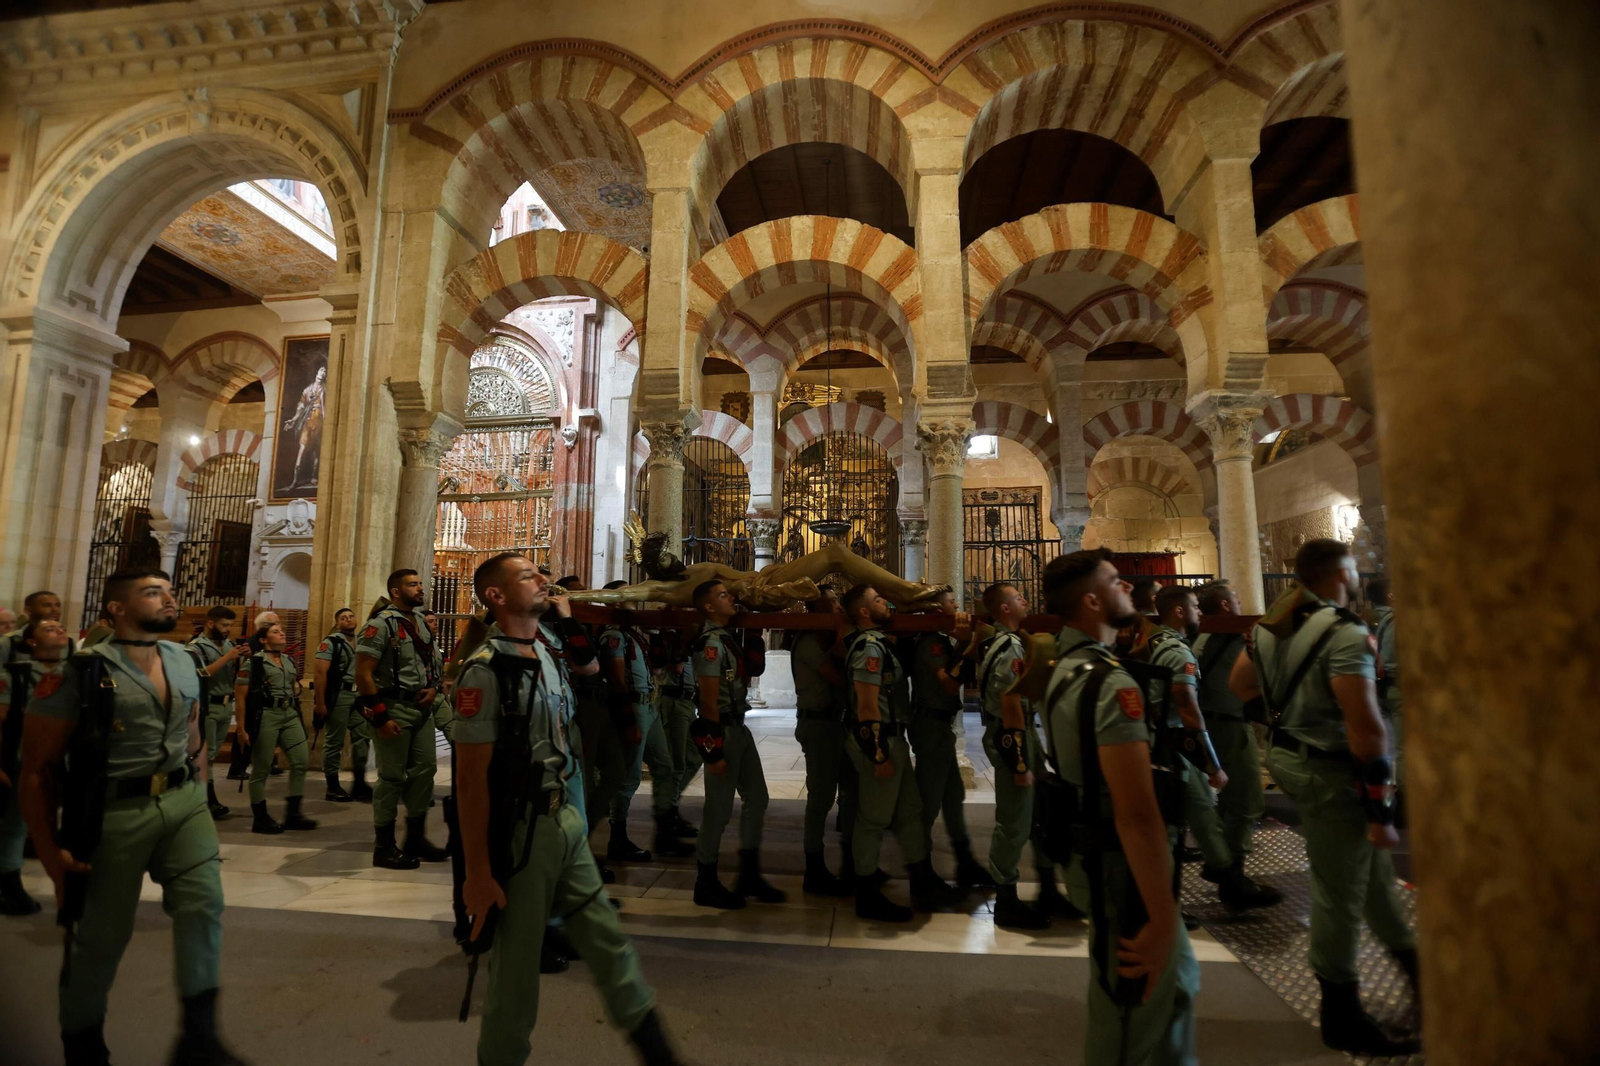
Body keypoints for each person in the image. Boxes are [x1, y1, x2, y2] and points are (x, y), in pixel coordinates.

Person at [454, 553, 685, 1066]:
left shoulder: (550, 653)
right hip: (523, 833)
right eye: (527, 576)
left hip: (566, 822)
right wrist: (477, 872)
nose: (543, 579)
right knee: (515, 977)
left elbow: (588, 670)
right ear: (495, 596)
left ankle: (658, 1050)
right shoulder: (486, 672)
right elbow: (470, 781)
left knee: (606, 940)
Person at [18, 569, 246, 1066]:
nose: (169, 598)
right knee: (100, 938)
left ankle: (200, 1039)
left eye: (169, 591)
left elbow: (194, 738)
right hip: (115, 812)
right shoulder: (77, 672)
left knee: (204, 907)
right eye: (152, 592)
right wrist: (50, 853)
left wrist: (201, 793)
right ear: (117, 609)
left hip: (184, 803)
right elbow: (36, 770)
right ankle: (83, 1046)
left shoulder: (182, 661)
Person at [1230, 539, 1419, 1057]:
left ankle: (1416, 970)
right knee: (1337, 893)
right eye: (1353, 568)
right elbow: (1366, 729)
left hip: (1290, 761)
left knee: (1369, 875)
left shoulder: (1273, 627)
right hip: (1333, 774)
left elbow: (1239, 683)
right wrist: (1382, 810)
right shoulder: (1344, 630)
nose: (1358, 576)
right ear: (1341, 573)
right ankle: (1342, 1011)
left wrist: (1284, 718)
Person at [1043, 549, 1198, 1065]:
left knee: (1171, 990)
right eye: (1115, 581)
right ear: (1091, 601)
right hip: (1121, 871)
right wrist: (1160, 914)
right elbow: (1136, 814)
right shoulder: (1109, 684)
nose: (1129, 587)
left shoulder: (1065, 669)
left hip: (1098, 857)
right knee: (1135, 1017)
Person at [1140, 585, 1277, 913]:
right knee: (1230, 805)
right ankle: (1223, 878)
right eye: (1193, 606)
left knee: (1201, 812)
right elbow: (1187, 704)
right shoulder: (1180, 647)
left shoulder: (1180, 641)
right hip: (1182, 738)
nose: (1198, 611)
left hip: (1174, 739)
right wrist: (1211, 762)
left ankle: (1227, 876)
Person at [841, 583, 959, 922]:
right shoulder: (869, 649)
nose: (886, 604)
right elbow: (866, 706)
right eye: (879, 600)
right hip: (879, 741)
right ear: (864, 612)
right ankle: (866, 894)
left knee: (910, 811)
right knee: (873, 819)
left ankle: (923, 880)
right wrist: (878, 755)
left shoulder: (880, 644)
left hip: (894, 739)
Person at [978, 581, 1082, 928]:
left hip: (1021, 734)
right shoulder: (1009, 647)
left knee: (1041, 813)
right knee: (1016, 819)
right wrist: (1020, 760)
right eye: (1018, 597)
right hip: (1012, 737)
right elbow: (1010, 702)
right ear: (1004, 608)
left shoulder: (1009, 641)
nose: (1025, 601)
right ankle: (1005, 899)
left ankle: (1049, 889)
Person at [687, 579, 784, 909]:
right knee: (718, 810)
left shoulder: (728, 639)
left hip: (739, 729)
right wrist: (713, 752)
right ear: (709, 607)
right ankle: (706, 881)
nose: (732, 598)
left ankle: (749, 873)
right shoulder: (709, 644)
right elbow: (709, 701)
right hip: (723, 731)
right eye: (723, 595)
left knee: (757, 798)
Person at [1191, 581, 1280, 907]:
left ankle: (1224, 870)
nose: (1241, 601)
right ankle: (1231, 877)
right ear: (1226, 606)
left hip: (1210, 723)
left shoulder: (1205, 635)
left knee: (1227, 803)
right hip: (1228, 724)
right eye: (1236, 597)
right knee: (1246, 802)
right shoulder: (1236, 634)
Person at [354, 570, 447, 870]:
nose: (420, 588)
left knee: (424, 771)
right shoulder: (380, 625)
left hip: (421, 709)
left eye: (420, 583)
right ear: (395, 591)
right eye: (412, 584)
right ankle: (384, 847)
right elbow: (363, 673)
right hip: (392, 707)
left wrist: (433, 687)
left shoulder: (420, 622)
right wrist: (380, 717)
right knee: (392, 777)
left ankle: (415, 838)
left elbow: (430, 663)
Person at [907, 590, 991, 892]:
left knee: (953, 797)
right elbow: (947, 682)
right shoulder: (931, 642)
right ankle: (921, 872)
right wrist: (968, 643)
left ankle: (965, 861)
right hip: (929, 725)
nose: (958, 606)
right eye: (951, 602)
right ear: (936, 609)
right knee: (928, 804)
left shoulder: (940, 640)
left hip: (939, 725)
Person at [597, 600, 687, 862]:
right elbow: (616, 680)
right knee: (629, 775)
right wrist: (628, 721)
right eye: (627, 602)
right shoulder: (614, 636)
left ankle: (665, 831)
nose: (635, 606)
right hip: (634, 707)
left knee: (665, 767)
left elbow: (658, 665)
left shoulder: (635, 635)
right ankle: (618, 838)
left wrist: (658, 631)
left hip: (650, 705)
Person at [0, 618, 69, 916]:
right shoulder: (15, 675)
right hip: (21, 762)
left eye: (60, 626)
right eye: (49, 629)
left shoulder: (75, 673)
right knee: (15, 825)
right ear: (31, 642)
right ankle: (9, 884)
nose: (59, 630)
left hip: (60, 764)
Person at [789, 588, 855, 896]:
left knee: (851, 793)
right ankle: (813, 867)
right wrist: (845, 637)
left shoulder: (825, 639)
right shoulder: (809, 641)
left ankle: (853, 864)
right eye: (833, 603)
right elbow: (840, 676)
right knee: (820, 798)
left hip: (835, 723)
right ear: (818, 608)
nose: (839, 607)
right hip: (818, 725)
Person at [561, 576, 623, 883]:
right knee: (581, 783)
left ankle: (584, 838)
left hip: (599, 703)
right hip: (581, 706)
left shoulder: (592, 625)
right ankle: (578, 852)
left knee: (616, 772)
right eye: (576, 594)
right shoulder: (563, 628)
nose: (585, 597)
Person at [235, 622, 318, 835]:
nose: (281, 633)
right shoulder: (253, 663)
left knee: (300, 761)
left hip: (289, 714)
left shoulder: (289, 660)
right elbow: (241, 697)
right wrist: (241, 728)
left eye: (282, 630)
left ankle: (293, 814)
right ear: (263, 640)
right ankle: (260, 818)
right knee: (261, 768)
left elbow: (292, 688)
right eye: (275, 632)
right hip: (266, 715)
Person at [187, 606, 249, 820]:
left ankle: (205, 798)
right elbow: (200, 673)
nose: (228, 630)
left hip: (225, 705)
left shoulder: (229, 645)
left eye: (230, 626)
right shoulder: (196, 647)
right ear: (210, 623)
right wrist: (228, 657)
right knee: (208, 754)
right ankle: (207, 800)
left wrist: (242, 657)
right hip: (207, 705)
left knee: (212, 754)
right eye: (224, 625)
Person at [314, 607, 372, 802]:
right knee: (334, 741)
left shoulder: (361, 641)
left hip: (358, 696)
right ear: (337, 623)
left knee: (363, 736)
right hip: (339, 695)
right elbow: (320, 673)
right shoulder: (330, 643)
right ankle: (332, 785)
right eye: (343, 618)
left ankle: (359, 782)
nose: (348, 619)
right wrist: (320, 703)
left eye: (351, 616)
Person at [650, 633, 701, 843]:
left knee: (694, 757)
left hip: (687, 702)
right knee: (676, 762)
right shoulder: (669, 638)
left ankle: (668, 804)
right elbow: (676, 667)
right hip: (672, 702)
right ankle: (666, 815)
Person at [1367, 577, 1404, 786]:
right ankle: (1404, 797)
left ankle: (1381, 787)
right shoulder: (1396, 620)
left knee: (1382, 744)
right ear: (1390, 595)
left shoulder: (1365, 618)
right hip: (1395, 687)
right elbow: (1391, 659)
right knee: (1403, 747)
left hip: (1373, 688)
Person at [422, 609, 455, 746]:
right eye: (431, 621)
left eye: (436, 621)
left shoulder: (436, 647)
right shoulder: (417, 646)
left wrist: (447, 700)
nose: (435, 624)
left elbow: (440, 675)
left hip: (438, 696)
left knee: (452, 730)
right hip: (424, 696)